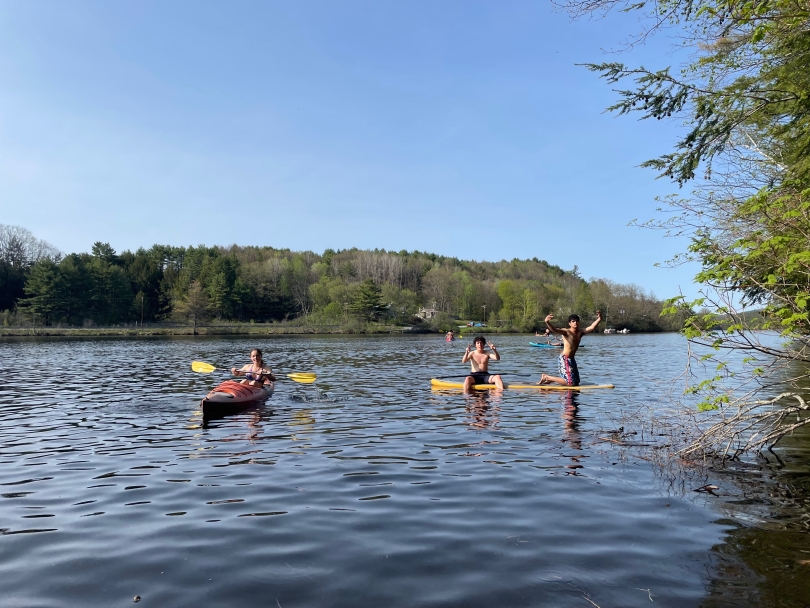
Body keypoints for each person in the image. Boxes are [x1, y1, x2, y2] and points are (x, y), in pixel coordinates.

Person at [537, 311, 602, 386]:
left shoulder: (580, 332)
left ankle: (549, 381)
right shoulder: (566, 332)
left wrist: (599, 319)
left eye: (577, 321)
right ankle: (547, 377)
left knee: (576, 381)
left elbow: (592, 327)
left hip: (572, 359)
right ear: (569, 323)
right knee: (570, 383)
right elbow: (554, 330)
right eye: (573, 321)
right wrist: (547, 322)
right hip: (565, 358)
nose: (575, 323)